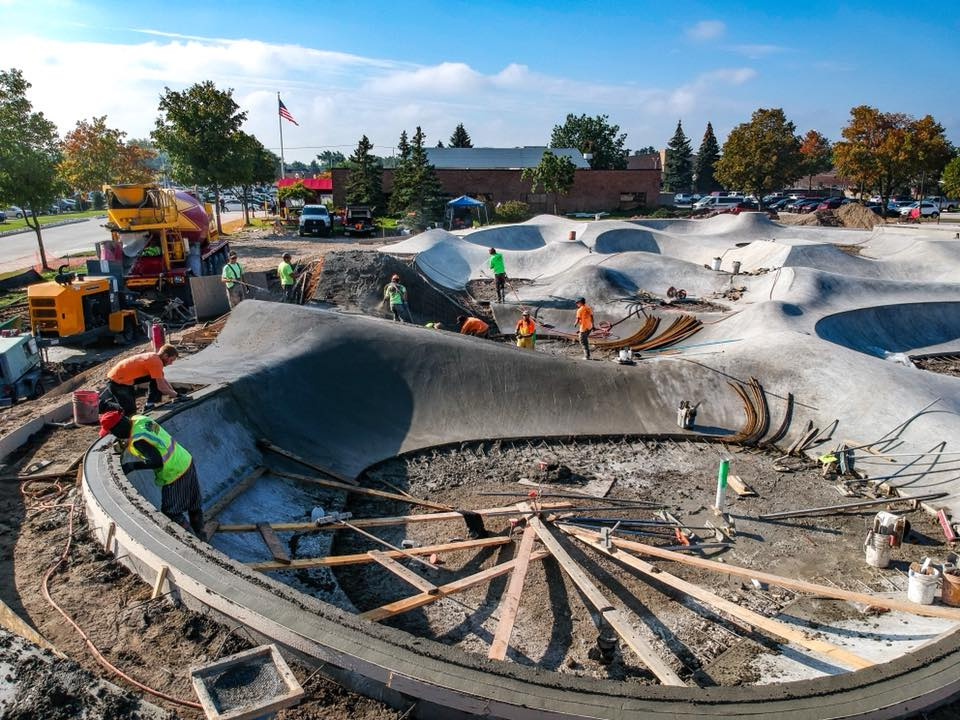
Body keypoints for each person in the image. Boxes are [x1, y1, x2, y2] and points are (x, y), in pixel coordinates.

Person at [100, 410, 205, 540]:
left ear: (118, 428)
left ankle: (192, 542)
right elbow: (152, 438)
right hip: (184, 459)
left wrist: (132, 466)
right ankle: (201, 534)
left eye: (112, 432)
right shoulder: (140, 419)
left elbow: (156, 462)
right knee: (193, 504)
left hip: (174, 472)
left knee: (171, 512)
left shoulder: (138, 440)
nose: (113, 435)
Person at [104, 345, 182, 415]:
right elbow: (162, 388)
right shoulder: (156, 362)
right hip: (117, 383)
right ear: (165, 356)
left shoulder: (155, 358)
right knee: (130, 412)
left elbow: (162, 380)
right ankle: (102, 405)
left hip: (124, 379)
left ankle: (149, 404)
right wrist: (178, 396)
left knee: (156, 378)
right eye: (171, 360)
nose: (171, 363)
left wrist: (175, 394)